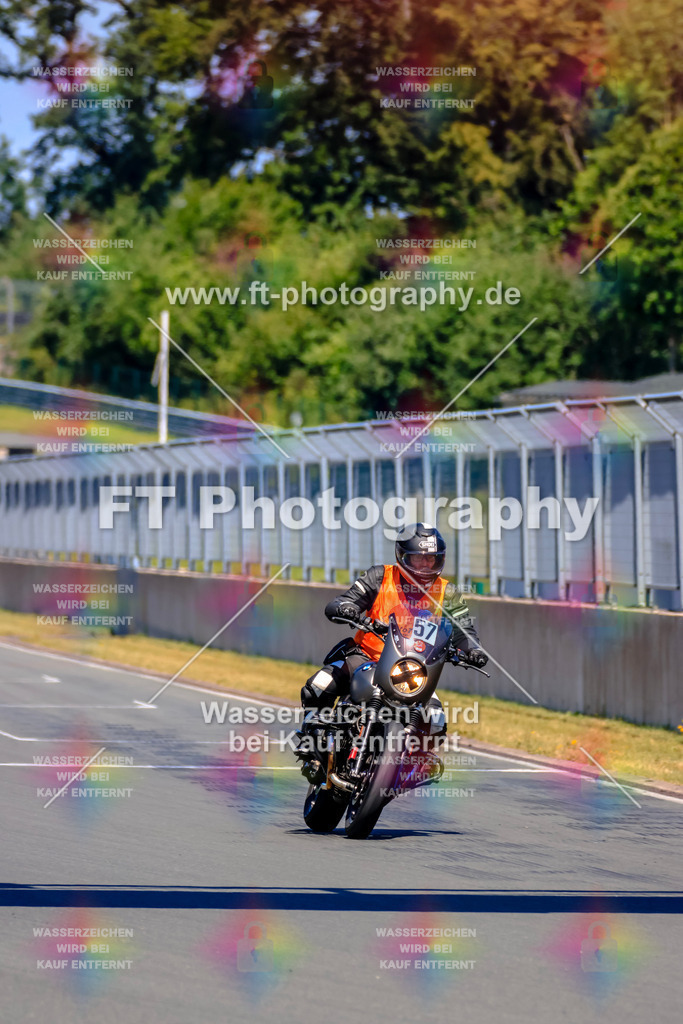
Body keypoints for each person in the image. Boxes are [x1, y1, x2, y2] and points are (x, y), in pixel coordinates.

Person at [295, 522, 488, 777]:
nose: (425, 565)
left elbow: (464, 631)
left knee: (436, 721)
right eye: (418, 558)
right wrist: (347, 608)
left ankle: (411, 765)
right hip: (365, 657)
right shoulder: (380, 576)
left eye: (431, 559)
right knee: (319, 686)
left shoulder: (448, 593)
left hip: (414, 670)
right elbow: (343, 601)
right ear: (402, 556)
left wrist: (473, 651)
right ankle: (314, 743)